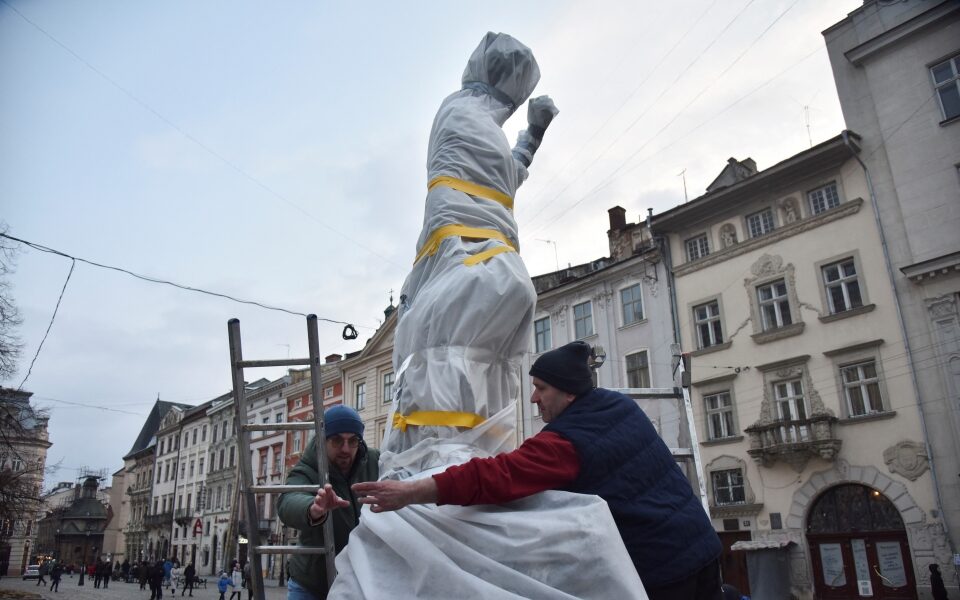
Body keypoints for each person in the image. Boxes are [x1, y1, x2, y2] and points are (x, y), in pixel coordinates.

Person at [354, 341, 724, 600]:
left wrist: (413, 491)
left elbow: (498, 475)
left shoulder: (567, 443)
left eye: (541, 388)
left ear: (569, 393)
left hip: (666, 567)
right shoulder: (617, 405)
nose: (533, 398)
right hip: (701, 545)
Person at [276, 405, 380, 600]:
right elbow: (287, 501)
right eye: (337, 440)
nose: (346, 449)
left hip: (363, 581)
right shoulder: (308, 467)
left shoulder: (374, 461)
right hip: (313, 584)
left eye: (353, 441)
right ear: (323, 441)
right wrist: (313, 508)